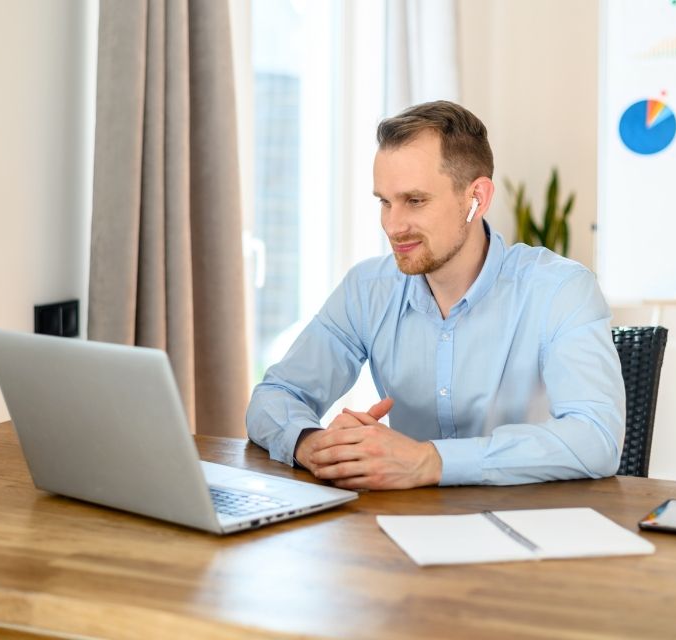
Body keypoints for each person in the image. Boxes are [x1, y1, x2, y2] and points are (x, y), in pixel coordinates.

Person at [245, 100, 625, 490]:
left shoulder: (561, 290)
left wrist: (431, 461)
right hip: (405, 523)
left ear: (476, 197)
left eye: (415, 200)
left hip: (531, 525)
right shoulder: (367, 289)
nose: (393, 226)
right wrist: (313, 444)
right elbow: (275, 397)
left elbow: (596, 439)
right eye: (384, 202)